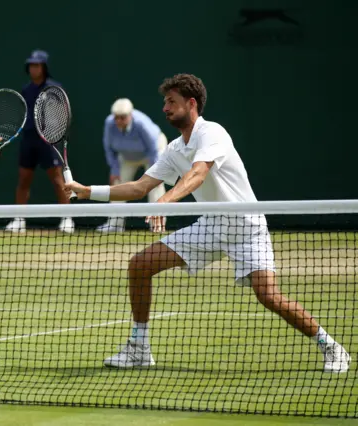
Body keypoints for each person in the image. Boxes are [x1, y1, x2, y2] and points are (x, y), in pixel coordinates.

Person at [65, 73, 351, 373]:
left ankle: (331, 346)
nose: (165, 108)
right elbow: (139, 187)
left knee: (269, 296)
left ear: (191, 104)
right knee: (139, 265)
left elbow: (198, 173)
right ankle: (139, 348)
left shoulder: (212, 132)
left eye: (171, 102)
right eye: (164, 102)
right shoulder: (174, 150)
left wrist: (166, 200)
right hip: (211, 226)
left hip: (247, 228)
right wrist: (88, 192)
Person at [5, 50, 74, 234]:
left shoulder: (54, 88)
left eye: (37, 65)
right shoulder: (26, 90)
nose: (34, 69)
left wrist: (51, 132)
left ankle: (67, 218)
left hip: (48, 140)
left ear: (44, 68)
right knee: (23, 180)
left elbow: (60, 115)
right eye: (31, 65)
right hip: (29, 140)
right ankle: (19, 220)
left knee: (58, 180)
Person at [97, 98, 168, 233]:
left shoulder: (142, 124)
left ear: (130, 115)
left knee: (155, 186)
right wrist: (114, 169)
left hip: (152, 153)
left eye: (122, 118)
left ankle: (158, 225)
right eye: (116, 117)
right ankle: (115, 224)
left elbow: (153, 149)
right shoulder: (109, 123)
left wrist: (157, 172)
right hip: (128, 156)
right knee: (118, 185)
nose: (118, 121)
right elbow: (108, 148)